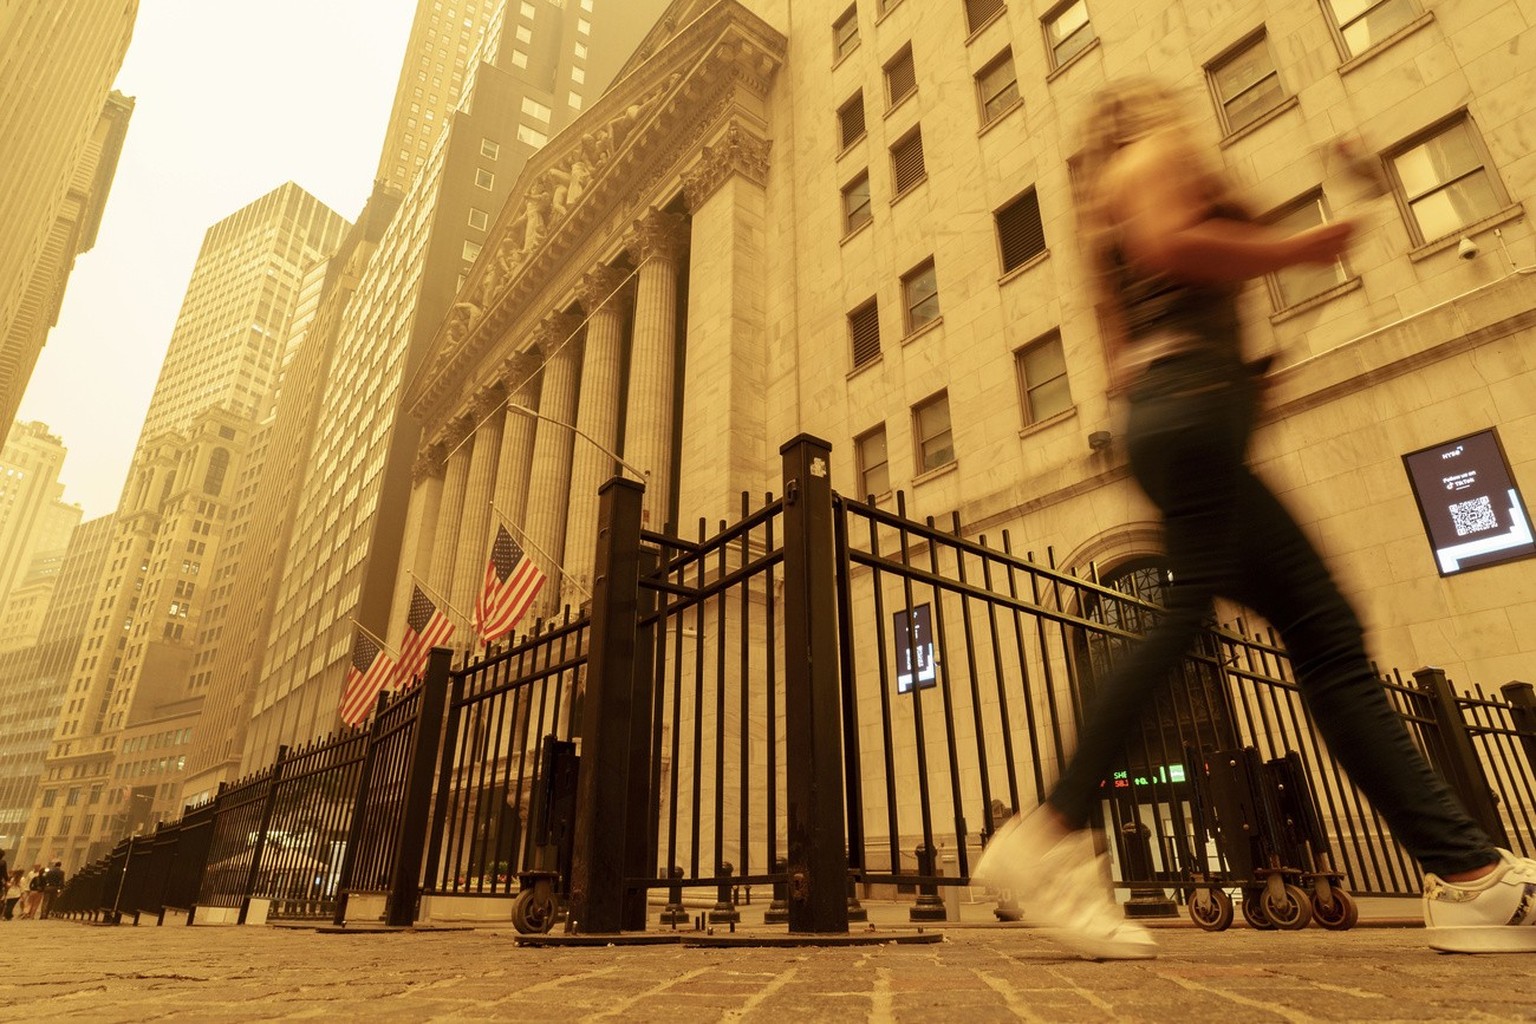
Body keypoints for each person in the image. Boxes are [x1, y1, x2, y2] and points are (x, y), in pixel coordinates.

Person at [974, 76, 1535, 959]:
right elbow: (1172, 243)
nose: (1178, 113)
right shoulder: (1153, 159)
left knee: (1317, 635)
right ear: (1140, 120)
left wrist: (1230, 387)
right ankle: (1051, 830)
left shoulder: (1101, 225)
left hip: (1183, 416)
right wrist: (1302, 244)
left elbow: (1126, 363)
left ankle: (1467, 875)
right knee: (1282, 628)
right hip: (1191, 412)